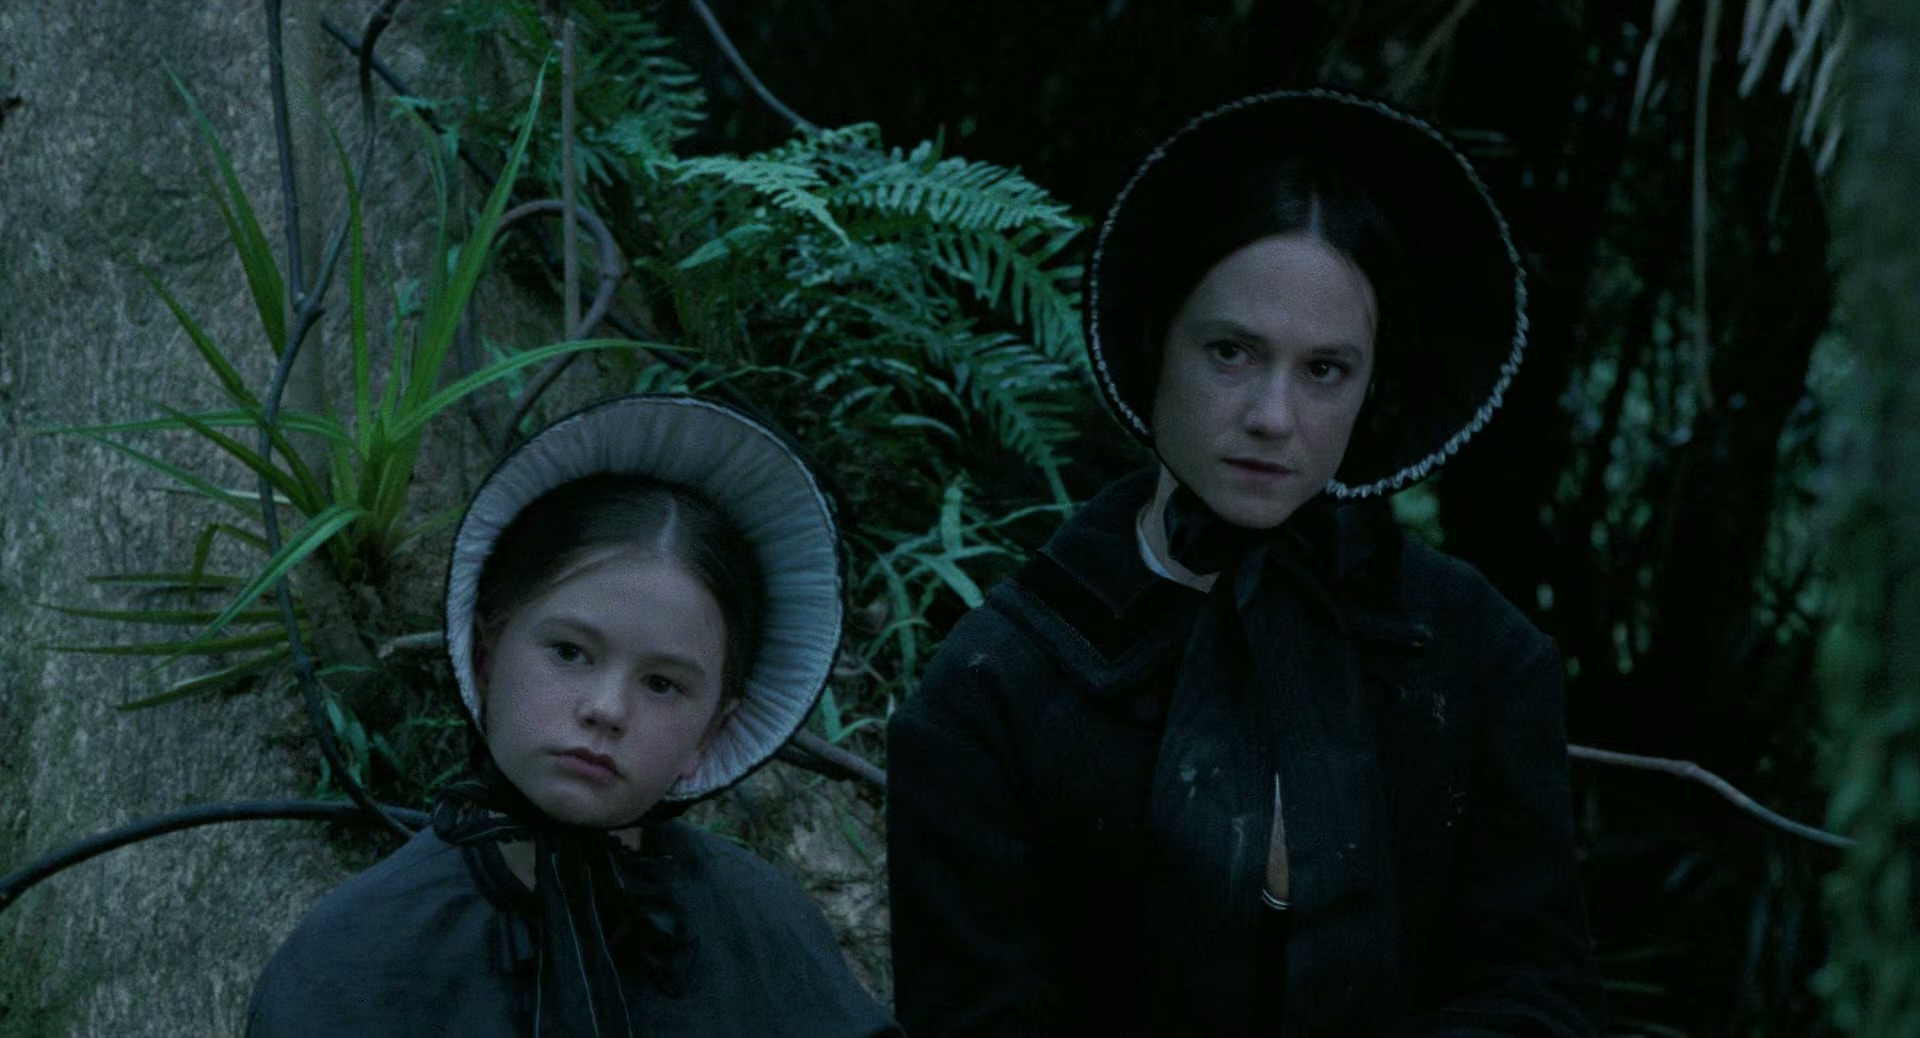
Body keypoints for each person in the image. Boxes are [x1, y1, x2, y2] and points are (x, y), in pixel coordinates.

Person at [886, 89, 1606, 1035]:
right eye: (1231, 352)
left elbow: (1536, 993)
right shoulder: (995, 689)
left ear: (1374, 383)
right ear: (1156, 341)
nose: (1273, 417)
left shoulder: (1480, 656)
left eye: (1324, 370)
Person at [249, 395, 900, 1037]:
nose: (606, 710)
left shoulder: (764, 932)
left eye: (663, 684)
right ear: (485, 656)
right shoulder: (354, 962)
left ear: (711, 732)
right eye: (569, 652)